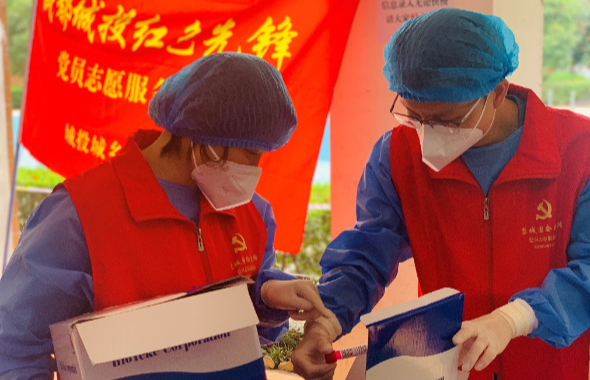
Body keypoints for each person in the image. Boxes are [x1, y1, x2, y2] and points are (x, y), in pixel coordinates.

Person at [291, 8, 590, 380]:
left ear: (497, 93)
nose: (429, 134)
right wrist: (325, 322)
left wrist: (513, 320)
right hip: (448, 366)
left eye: (447, 120)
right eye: (415, 116)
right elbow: (366, 255)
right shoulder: (397, 156)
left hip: (549, 365)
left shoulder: (579, 150)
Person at [0, 52, 336, 379]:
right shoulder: (80, 215)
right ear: (206, 139)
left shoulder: (253, 214)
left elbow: (234, 326)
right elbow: (12, 346)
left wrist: (266, 293)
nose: (256, 169)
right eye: (250, 152)